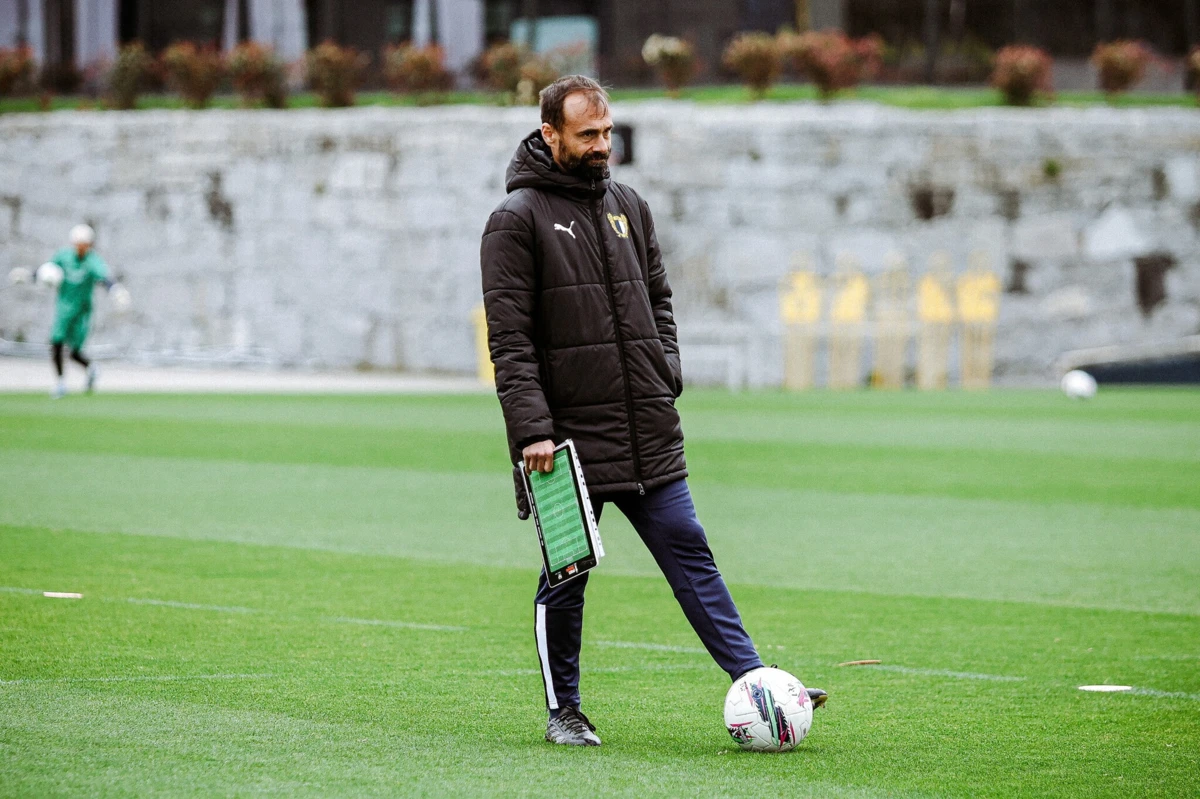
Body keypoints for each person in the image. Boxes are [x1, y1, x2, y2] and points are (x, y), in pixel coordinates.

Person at [480, 75, 826, 747]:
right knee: (567, 577)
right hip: (564, 446)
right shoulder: (515, 220)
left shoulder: (629, 207)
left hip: (646, 428)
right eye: (588, 135)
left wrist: (665, 370)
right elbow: (510, 340)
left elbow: (660, 300)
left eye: (608, 132)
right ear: (549, 134)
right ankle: (565, 711)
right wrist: (532, 431)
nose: (602, 145)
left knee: (691, 555)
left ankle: (756, 682)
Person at [8, 224, 130, 398]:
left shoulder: (92, 260)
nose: (81, 246)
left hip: (82, 311)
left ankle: (90, 368)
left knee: (74, 352)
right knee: (56, 342)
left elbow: (104, 277)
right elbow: (47, 271)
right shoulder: (64, 257)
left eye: (85, 243)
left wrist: (115, 290)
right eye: (78, 243)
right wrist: (28, 276)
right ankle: (60, 383)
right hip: (64, 309)